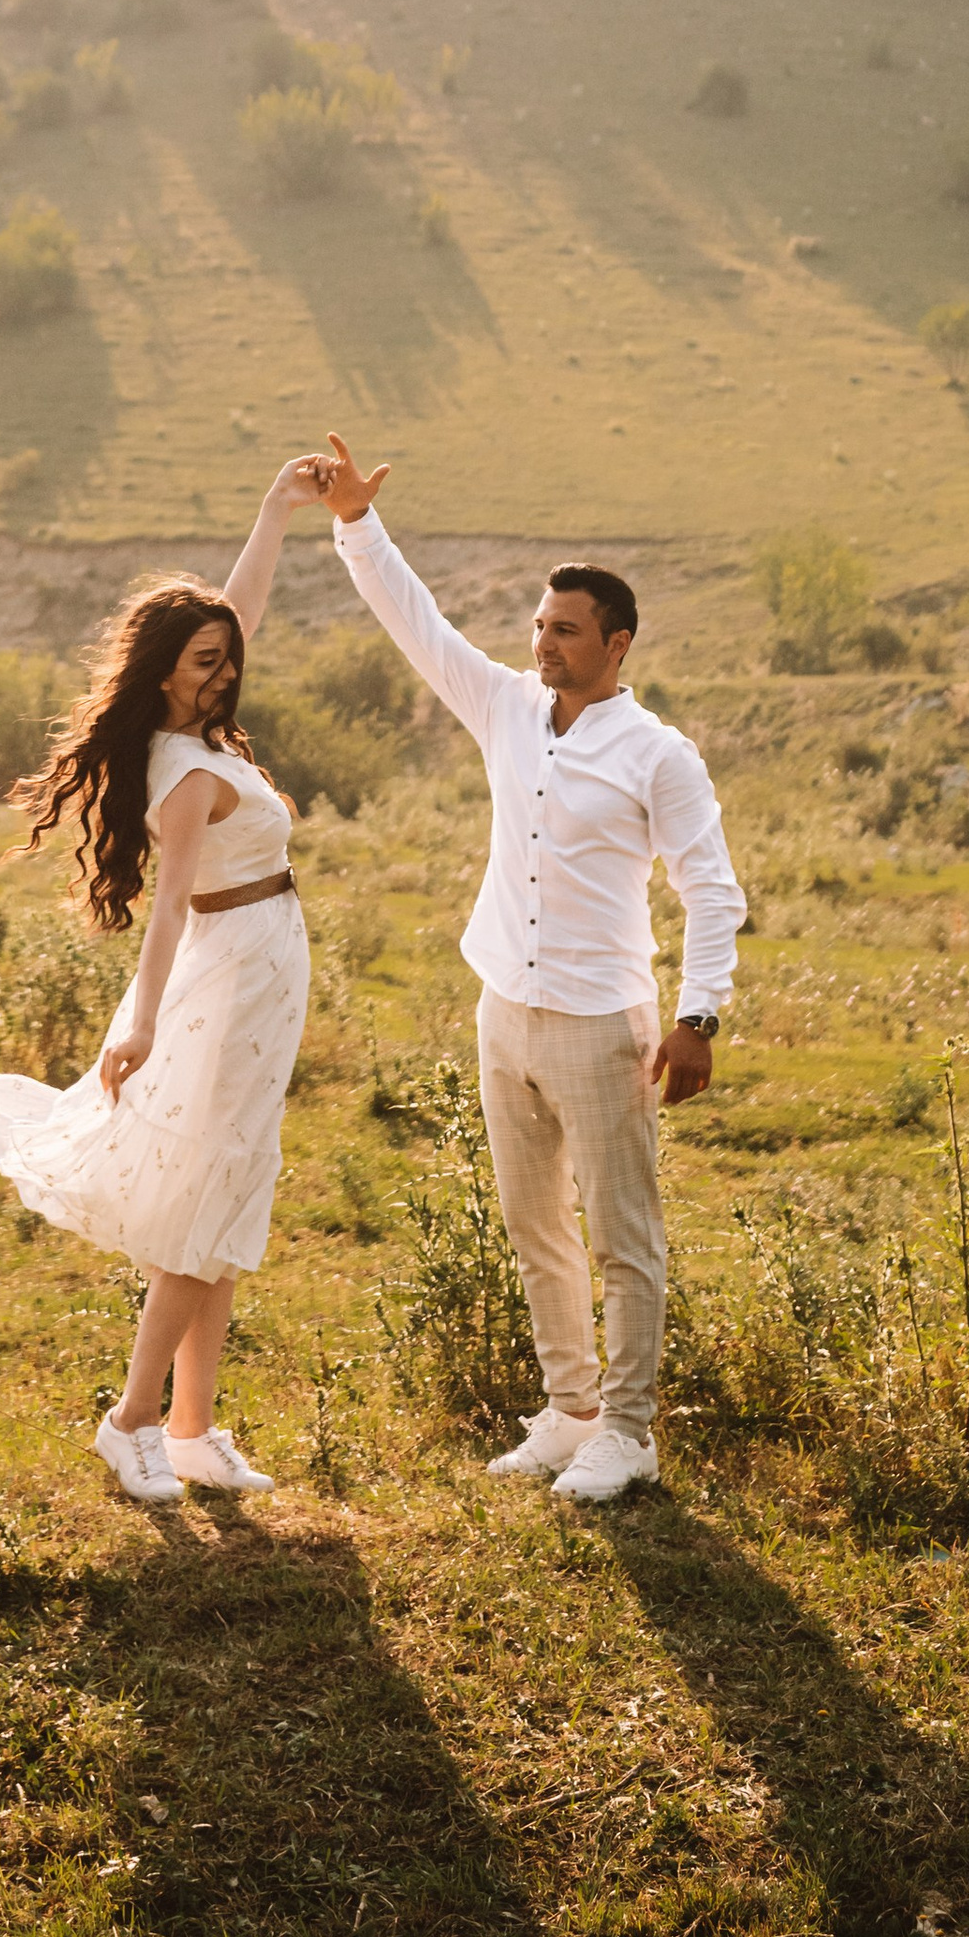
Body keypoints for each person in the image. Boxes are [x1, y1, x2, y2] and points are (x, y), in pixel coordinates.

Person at [312, 431, 742, 1506]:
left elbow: (712, 889)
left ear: (617, 643)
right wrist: (357, 521)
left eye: (566, 629)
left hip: (604, 1021)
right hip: (503, 1007)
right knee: (534, 1224)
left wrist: (697, 1017)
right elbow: (418, 623)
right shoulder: (506, 706)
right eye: (540, 626)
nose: (543, 642)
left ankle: (629, 1433)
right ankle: (570, 1413)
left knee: (623, 1237)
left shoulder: (659, 754)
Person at [0, 456, 327, 1507]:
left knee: (227, 1201)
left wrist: (276, 510)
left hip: (255, 978)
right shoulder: (190, 770)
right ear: (166, 671)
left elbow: (234, 612)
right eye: (206, 661)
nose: (226, 671)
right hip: (223, 984)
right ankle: (132, 1421)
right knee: (200, 1211)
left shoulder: (194, 727)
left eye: (227, 658)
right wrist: (143, 1022)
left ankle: (195, 1429)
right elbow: (168, 906)